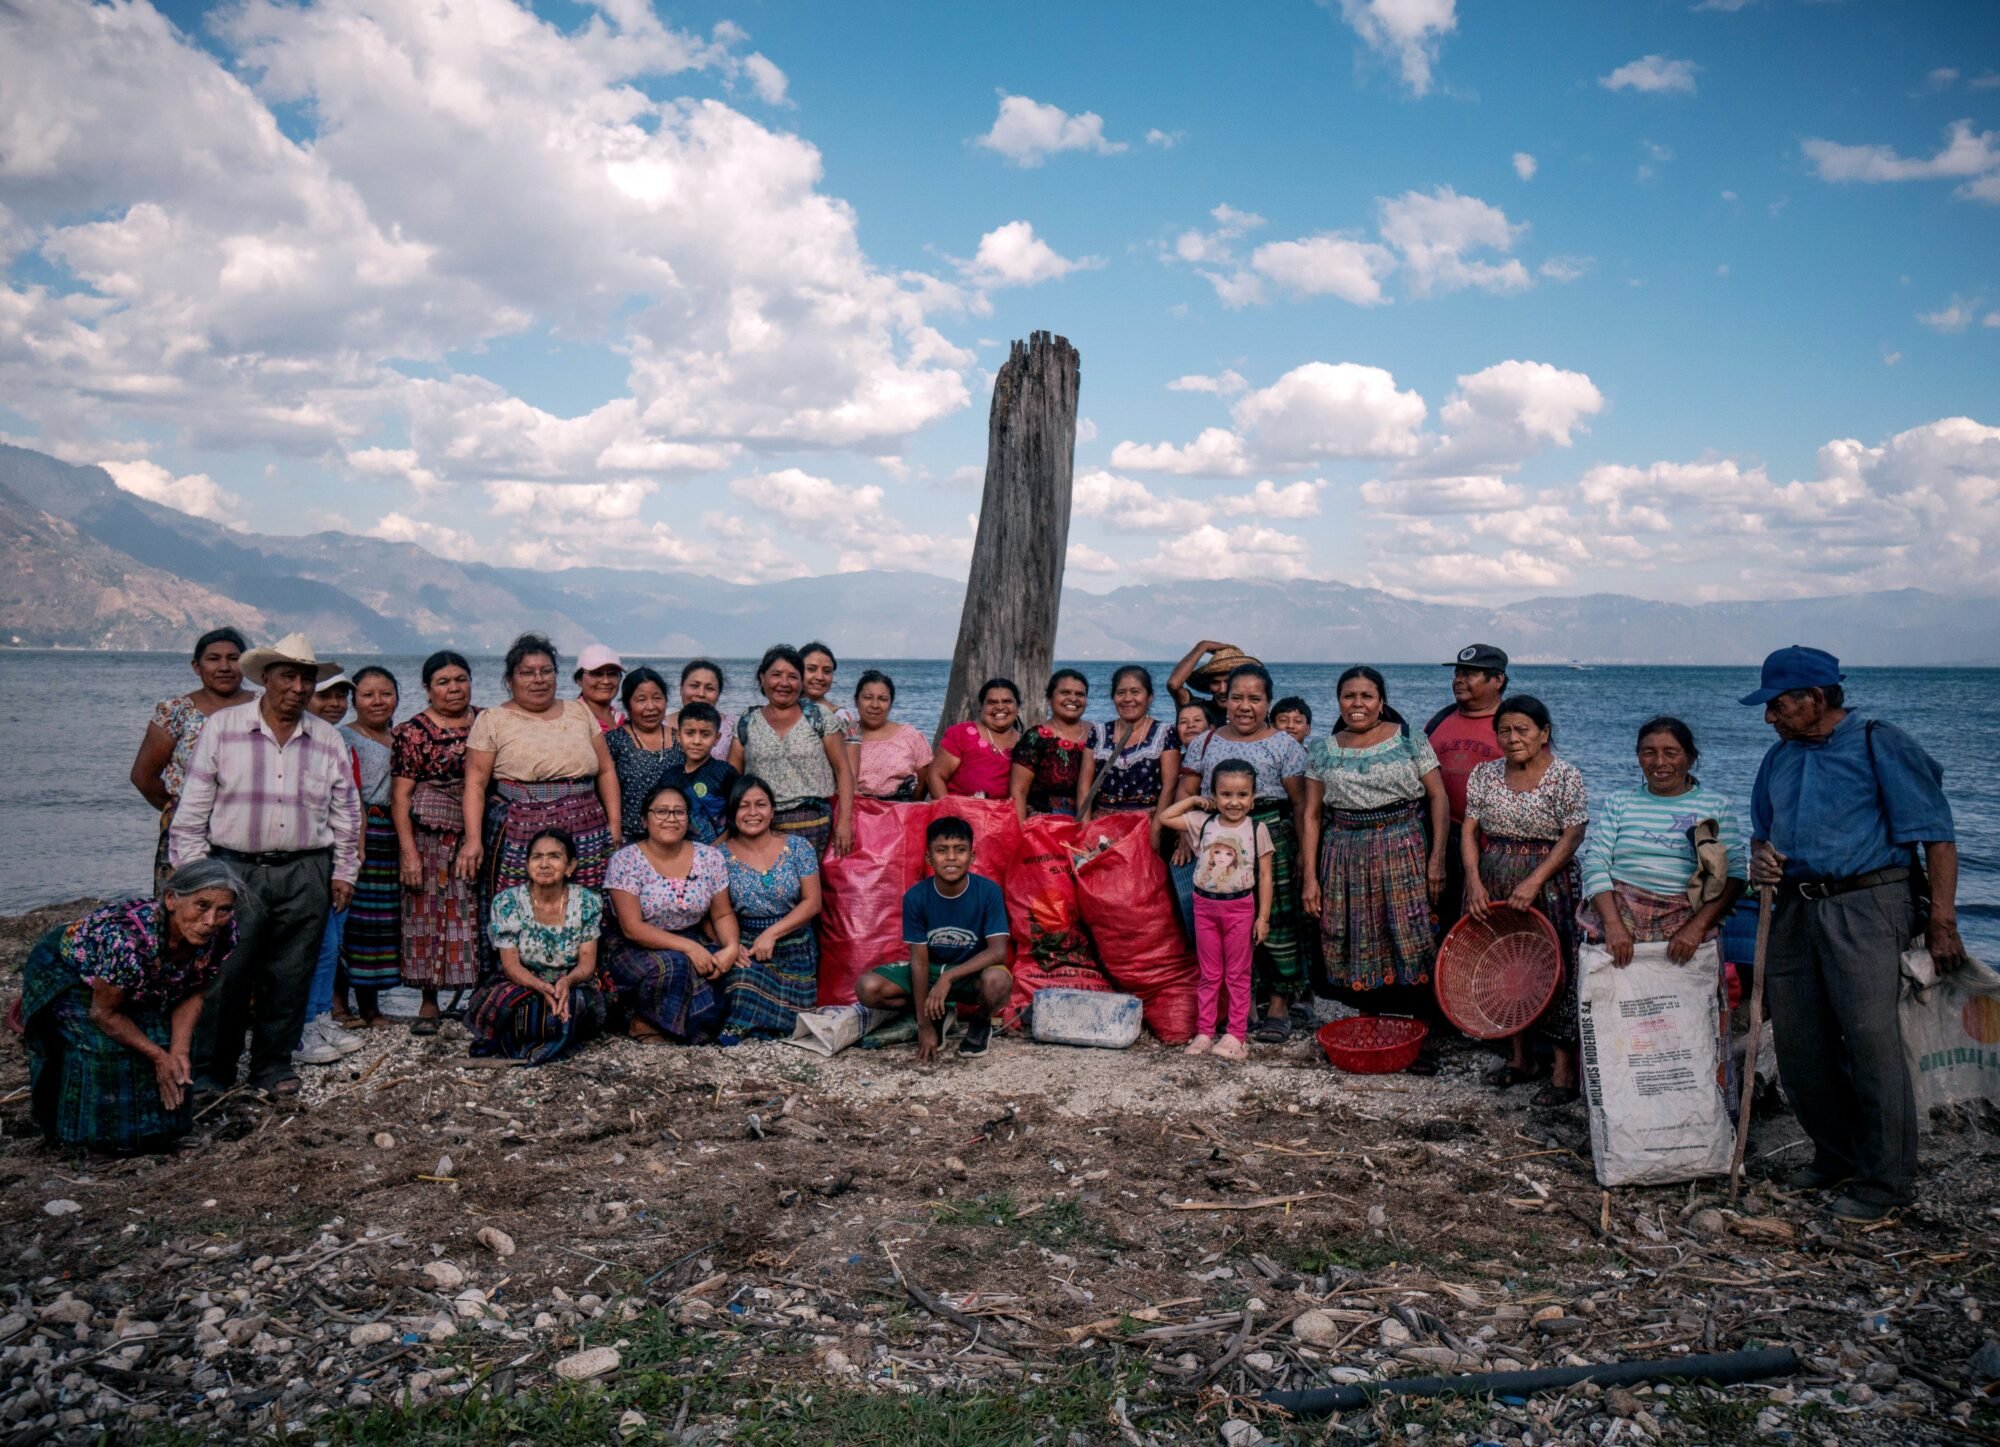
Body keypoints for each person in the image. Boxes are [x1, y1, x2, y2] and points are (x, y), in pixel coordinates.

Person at [1744, 646, 1962, 1223]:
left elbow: (1937, 834)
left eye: (1778, 704)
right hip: (1795, 907)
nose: (1769, 717)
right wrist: (1760, 858)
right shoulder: (1779, 756)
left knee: (1872, 1044)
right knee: (1799, 1045)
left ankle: (1886, 1181)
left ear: (1816, 698)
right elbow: (1761, 833)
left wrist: (1942, 921)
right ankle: (1836, 1156)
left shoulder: (1878, 742)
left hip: (1868, 903)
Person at [169, 633, 361, 1099]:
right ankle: (212, 1069)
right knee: (225, 972)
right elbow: (192, 810)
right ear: (266, 679)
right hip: (235, 870)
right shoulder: (224, 728)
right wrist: (198, 880)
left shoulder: (326, 738)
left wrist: (343, 871)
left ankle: (272, 1065)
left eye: (306, 679)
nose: (298, 687)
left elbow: (347, 814)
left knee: (291, 972)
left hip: (306, 869)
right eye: (288, 676)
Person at [22, 860, 243, 1154]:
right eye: (201, 905)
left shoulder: (223, 935)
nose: (211, 920)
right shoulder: (127, 941)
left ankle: (160, 1133)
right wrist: (158, 1057)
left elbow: (194, 993)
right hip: (68, 972)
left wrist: (177, 1052)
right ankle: (86, 1140)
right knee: (105, 1050)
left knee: (171, 1047)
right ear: (171, 900)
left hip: (137, 979)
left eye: (223, 910)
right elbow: (103, 1013)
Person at [1300, 667, 1449, 1032]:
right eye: (1349, 696)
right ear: (1339, 702)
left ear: (1381, 702)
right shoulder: (1322, 750)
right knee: (1356, 933)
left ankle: (1422, 1027)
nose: (1358, 703)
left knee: (1410, 930)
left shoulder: (1409, 738)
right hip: (1344, 854)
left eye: (1367, 696)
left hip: (1403, 848)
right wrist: (1310, 878)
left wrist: (1437, 859)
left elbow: (1438, 797)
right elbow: (1312, 814)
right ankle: (1369, 1022)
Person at [1462, 696, 1589, 1107]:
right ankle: (1520, 1059)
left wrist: (1535, 881)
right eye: (1504, 730)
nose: (1513, 738)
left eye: (1522, 729)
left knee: (1555, 968)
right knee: (1505, 967)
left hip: (1550, 883)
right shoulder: (1484, 774)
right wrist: (1474, 882)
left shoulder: (1565, 776)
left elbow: (1573, 835)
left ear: (1543, 733)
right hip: (1494, 875)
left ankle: (1563, 1072)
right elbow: (1469, 830)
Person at [1176, 663, 1309, 1042]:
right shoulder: (1205, 741)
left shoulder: (1285, 745)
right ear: (1225, 699)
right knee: (1230, 923)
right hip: (1217, 838)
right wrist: (1185, 835)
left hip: (1271, 835)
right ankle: (1243, 1005)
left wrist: (1303, 854)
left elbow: (1300, 804)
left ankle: (1279, 1005)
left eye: (1255, 698)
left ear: (1268, 702)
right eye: (1237, 698)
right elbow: (1188, 790)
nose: (1245, 706)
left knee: (1276, 920)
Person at [459, 635, 620, 924]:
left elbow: (606, 770)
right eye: (527, 672)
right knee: (524, 908)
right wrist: (473, 840)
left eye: (546, 671)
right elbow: (475, 784)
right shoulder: (492, 719)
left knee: (586, 904)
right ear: (510, 679)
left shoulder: (579, 711)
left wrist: (614, 824)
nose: (539, 679)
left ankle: (587, 954)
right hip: (522, 827)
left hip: (586, 824)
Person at [1579, 716, 1747, 970]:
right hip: (1620, 921)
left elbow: (1735, 873)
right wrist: (1613, 926)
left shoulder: (1716, 806)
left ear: (1690, 758)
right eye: (1649, 753)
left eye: (1671, 753)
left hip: (1687, 927)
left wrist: (1697, 928)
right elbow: (1595, 863)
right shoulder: (1619, 802)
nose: (1659, 762)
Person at [855, 815, 1012, 1062]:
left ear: (972, 856)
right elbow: (919, 961)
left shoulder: (988, 891)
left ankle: (981, 1021)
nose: (951, 857)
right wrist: (924, 1024)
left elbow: (998, 952)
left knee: (997, 981)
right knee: (868, 987)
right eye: (942, 850)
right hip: (932, 970)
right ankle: (939, 1014)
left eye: (960, 850)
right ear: (929, 858)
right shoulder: (916, 897)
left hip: (970, 973)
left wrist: (949, 977)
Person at [604, 783, 742, 1041]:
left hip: (693, 937)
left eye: (679, 812)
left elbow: (722, 914)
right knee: (675, 965)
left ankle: (663, 1023)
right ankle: (644, 1022)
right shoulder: (625, 860)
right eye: (661, 812)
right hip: (636, 946)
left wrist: (731, 947)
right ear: (644, 820)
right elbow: (632, 928)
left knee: (736, 969)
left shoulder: (709, 857)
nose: (671, 818)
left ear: (688, 820)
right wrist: (689, 948)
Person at [391, 650, 483, 1035]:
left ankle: (479, 998)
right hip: (429, 836)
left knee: (476, 912)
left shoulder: (486, 722)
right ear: (427, 688)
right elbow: (400, 796)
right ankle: (428, 1002)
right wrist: (408, 854)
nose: (454, 688)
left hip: (478, 831)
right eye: (443, 682)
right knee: (427, 914)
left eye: (460, 679)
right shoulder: (412, 732)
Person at [1160, 760, 1272, 1062]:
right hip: (1205, 907)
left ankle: (1236, 1036)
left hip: (1240, 909)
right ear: (1214, 795)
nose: (1234, 802)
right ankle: (1205, 1032)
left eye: (1242, 795)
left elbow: (1266, 876)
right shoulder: (1204, 822)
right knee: (1209, 974)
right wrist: (1194, 801)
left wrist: (1263, 918)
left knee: (1237, 974)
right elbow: (1166, 817)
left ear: (1253, 798)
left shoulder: (1257, 829)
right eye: (1226, 794)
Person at [465, 828, 608, 1065]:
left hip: (570, 980)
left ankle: (545, 1039)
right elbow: (510, 965)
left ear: (570, 866)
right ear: (527, 865)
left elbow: (587, 963)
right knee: (525, 1007)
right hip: (523, 980)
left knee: (571, 1005)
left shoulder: (587, 902)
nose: (544, 864)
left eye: (554, 856)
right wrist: (541, 986)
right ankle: (536, 1041)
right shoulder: (508, 902)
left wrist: (566, 982)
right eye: (537, 857)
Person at [130, 628, 254, 893]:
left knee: (247, 901)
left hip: (250, 829)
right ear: (197, 667)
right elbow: (143, 776)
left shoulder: (263, 708)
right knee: (190, 901)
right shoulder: (176, 712)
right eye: (213, 659)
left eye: (233, 658)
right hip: (189, 831)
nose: (224, 667)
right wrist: (180, 809)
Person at [719, 776, 824, 1039]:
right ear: (732, 812)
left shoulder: (798, 847)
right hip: (744, 942)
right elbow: (717, 913)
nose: (752, 813)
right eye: (743, 806)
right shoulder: (718, 856)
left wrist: (772, 934)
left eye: (760, 804)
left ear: (773, 810)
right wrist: (731, 946)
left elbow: (813, 902)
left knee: (796, 1010)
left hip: (794, 943)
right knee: (741, 981)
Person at [728, 645, 855, 858]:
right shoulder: (746, 721)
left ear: (801, 681)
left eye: (793, 676)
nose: (784, 683)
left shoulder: (819, 717)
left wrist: (844, 822)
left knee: (812, 879)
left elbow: (843, 770)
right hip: (760, 824)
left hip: (814, 823)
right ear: (762, 678)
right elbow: (733, 779)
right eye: (776, 675)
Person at [340, 667, 410, 1030]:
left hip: (395, 834)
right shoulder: (344, 737)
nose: (377, 701)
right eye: (368, 694)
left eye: (385, 693)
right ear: (354, 700)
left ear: (397, 696)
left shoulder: (404, 737)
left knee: (384, 922)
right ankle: (341, 1005)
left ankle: (372, 1004)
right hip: (360, 832)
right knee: (354, 920)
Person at [301, 671, 366, 1048]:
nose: (335, 704)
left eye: (341, 697)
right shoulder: (299, 743)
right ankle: (306, 1022)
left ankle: (321, 1015)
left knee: (331, 942)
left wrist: (355, 853)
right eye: (325, 696)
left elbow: (353, 803)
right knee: (317, 943)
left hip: (338, 857)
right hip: (309, 856)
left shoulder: (340, 744)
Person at [1425, 644, 1509, 926]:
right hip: (1441, 843)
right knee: (1441, 924)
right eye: (1457, 673)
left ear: (1497, 680)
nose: (1459, 680)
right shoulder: (1439, 721)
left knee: (1486, 926)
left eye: (1470, 674)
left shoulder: (1513, 724)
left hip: (1490, 850)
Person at [1082, 665, 1180, 823]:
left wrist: (1156, 828)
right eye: (1121, 693)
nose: (1127, 699)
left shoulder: (1165, 732)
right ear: (1113, 697)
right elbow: (1084, 786)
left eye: (1135, 692)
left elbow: (1170, 787)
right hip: (1102, 824)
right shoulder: (1098, 732)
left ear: (1150, 697)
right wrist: (1085, 827)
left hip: (1146, 824)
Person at [1010, 669, 1096, 819]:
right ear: (1049, 698)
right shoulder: (1035, 738)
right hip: (1045, 823)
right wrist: (1021, 829)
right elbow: (1019, 791)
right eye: (1065, 692)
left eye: (1080, 694)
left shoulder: (1098, 734)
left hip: (1092, 820)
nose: (1073, 698)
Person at [606, 666, 678, 842]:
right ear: (627, 704)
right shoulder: (614, 740)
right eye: (641, 699)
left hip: (674, 834)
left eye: (657, 698)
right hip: (629, 838)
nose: (651, 707)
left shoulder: (680, 740)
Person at [658, 702, 739, 844]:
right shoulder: (669, 777)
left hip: (720, 849)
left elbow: (738, 816)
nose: (697, 741)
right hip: (678, 849)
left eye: (705, 734)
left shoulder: (725, 773)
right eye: (690, 733)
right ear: (678, 736)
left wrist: (713, 850)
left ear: (717, 738)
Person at [932, 677, 1023, 799]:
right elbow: (936, 776)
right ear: (982, 707)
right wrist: (947, 808)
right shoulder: (961, 734)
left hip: (1011, 811)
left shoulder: (1026, 743)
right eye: (992, 702)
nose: (1000, 707)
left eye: (1007, 701)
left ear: (1017, 706)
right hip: (959, 810)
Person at [850, 670, 933, 801]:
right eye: (868, 698)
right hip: (854, 810)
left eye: (882, 699)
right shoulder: (845, 735)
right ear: (856, 701)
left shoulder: (910, 736)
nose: (875, 705)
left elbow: (924, 781)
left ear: (891, 703)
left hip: (901, 810)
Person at [1166, 641, 1253, 727]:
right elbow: (1174, 685)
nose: (1222, 690)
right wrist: (1203, 646)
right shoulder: (1199, 710)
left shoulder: (1252, 713)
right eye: (1215, 682)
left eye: (1228, 682)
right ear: (1208, 685)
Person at [667, 659, 736, 752]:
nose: (701, 694)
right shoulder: (660, 725)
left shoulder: (733, 728)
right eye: (694, 686)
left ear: (719, 694)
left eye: (709, 688)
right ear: (681, 689)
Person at [800, 641, 859, 742]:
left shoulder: (845, 717)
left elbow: (854, 751)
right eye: (811, 669)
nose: (820, 677)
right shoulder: (783, 711)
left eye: (827, 671)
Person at [574, 645, 626, 732]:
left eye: (612, 674)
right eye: (597, 674)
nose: (606, 681)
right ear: (579, 679)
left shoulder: (622, 719)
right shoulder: (571, 717)